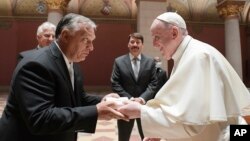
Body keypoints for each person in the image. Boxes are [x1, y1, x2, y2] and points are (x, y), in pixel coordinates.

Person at [118, 12, 250, 141]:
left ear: (174, 33)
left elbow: (192, 123)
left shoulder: (197, 57)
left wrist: (141, 111)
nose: (154, 43)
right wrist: (160, 132)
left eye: (157, 37)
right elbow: (178, 108)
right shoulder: (186, 55)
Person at [0, 13, 127, 141]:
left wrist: (102, 101)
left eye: (92, 41)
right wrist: (96, 112)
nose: (91, 48)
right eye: (86, 40)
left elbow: (76, 99)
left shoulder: (72, 62)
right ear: (65, 36)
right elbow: (40, 118)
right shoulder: (36, 65)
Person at [110, 32, 158, 141]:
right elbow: (115, 83)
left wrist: (142, 99)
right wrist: (130, 99)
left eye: (138, 42)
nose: (135, 44)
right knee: (123, 137)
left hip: (145, 107)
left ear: (142, 45)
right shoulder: (119, 61)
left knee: (147, 137)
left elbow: (154, 83)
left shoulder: (150, 62)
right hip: (125, 105)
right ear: (128, 44)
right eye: (132, 42)